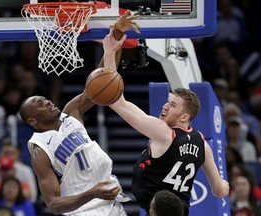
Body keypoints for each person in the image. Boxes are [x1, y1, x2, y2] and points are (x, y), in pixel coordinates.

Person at [18, 11, 140, 216]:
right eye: (40, 103)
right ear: (33, 119)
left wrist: (117, 35)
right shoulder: (40, 150)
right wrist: (92, 194)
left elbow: (103, 79)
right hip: (84, 210)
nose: (47, 101)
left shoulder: (71, 112)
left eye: (45, 98)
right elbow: (53, 204)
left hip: (110, 200)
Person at [104, 63, 229, 214]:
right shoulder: (203, 143)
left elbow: (115, 101)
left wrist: (110, 51)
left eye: (173, 105)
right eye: (167, 101)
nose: (165, 107)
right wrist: (224, 184)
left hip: (159, 210)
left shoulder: (165, 133)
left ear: (184, 117)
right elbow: (219, 191)